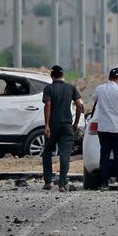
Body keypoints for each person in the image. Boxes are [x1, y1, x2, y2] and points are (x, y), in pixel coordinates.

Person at [41, 65, 84, 193]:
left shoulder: (48, 88)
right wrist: (76, 123)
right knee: (65, 155)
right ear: (63, 74)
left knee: (47, 152)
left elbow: (47, 105)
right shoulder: (71, 88)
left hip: (53, 125)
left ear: (51, 75)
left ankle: (48, 182)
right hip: (67, 125)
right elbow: (79, 106)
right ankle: (62, 184)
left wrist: (46, 125)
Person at [93, 68, 118, 190]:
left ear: (109, 77)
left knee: (104, 156)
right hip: (117, 128)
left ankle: (104, 184)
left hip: (103, 128)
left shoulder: (99, 89)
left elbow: (94, 99)